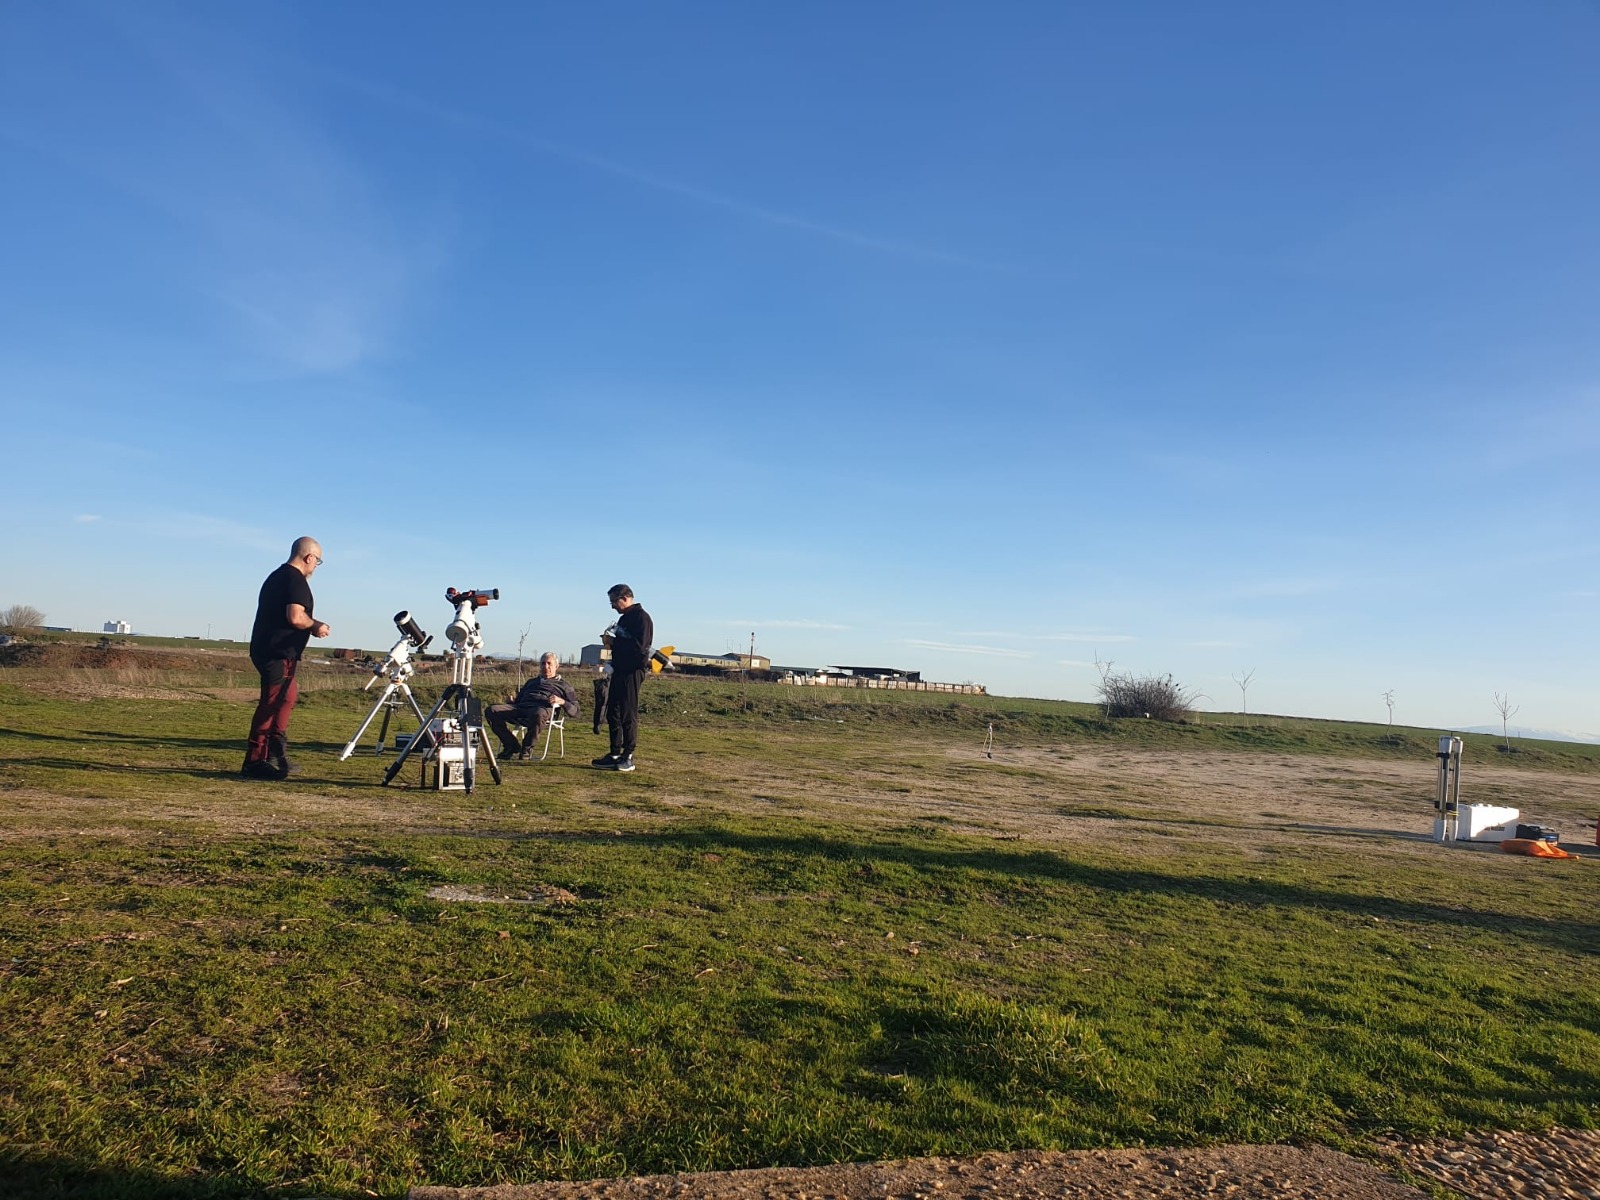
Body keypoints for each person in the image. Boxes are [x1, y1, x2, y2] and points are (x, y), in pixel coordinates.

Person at [242, 537, 329, 780]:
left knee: (286, 698)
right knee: (272, 703)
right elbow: (295, 616)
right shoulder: (295, 580)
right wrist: (316, 626)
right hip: (277, 653)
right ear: (309, 557)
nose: (315, 567)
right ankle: (256, 760)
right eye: (317, 561)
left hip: (273, 651)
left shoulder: (277, 576)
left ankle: (275, 750)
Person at [594, 583, 651, 772]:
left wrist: (614, 642)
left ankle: (628, 755)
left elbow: (639, 648)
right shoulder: (625, 619)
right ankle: (615, 753)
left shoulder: (642, 619)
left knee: (628, 713)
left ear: (626, 598)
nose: (612, 606)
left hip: (633, 671)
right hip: (619, 670)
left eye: (613, 602)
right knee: (613, 712)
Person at [487, 651, 579, 760]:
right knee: (491, 710)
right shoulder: (531, 682)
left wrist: (562, 701)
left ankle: (526, 749)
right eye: (543, 663)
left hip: (542, 710)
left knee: (538, 713)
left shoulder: (564, 685)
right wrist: (512, 702)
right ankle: (511, 745)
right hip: (522, 708)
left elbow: (576, 712)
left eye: (549, 664)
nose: (546, 666)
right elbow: (519, 701)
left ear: (557, 666)